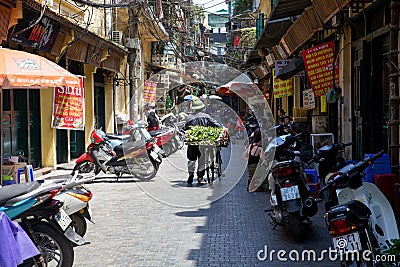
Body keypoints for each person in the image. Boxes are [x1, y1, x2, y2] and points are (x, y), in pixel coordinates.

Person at [183, 98, 223, 185]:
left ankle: (191, 174)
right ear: (202, 108)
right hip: (203, 142)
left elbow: (185, 129)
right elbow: (216, 125)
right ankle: (200, 178)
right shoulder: (206, 116)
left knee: (191, 159)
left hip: (192, 142)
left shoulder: (188, 117)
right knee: (202, 160)